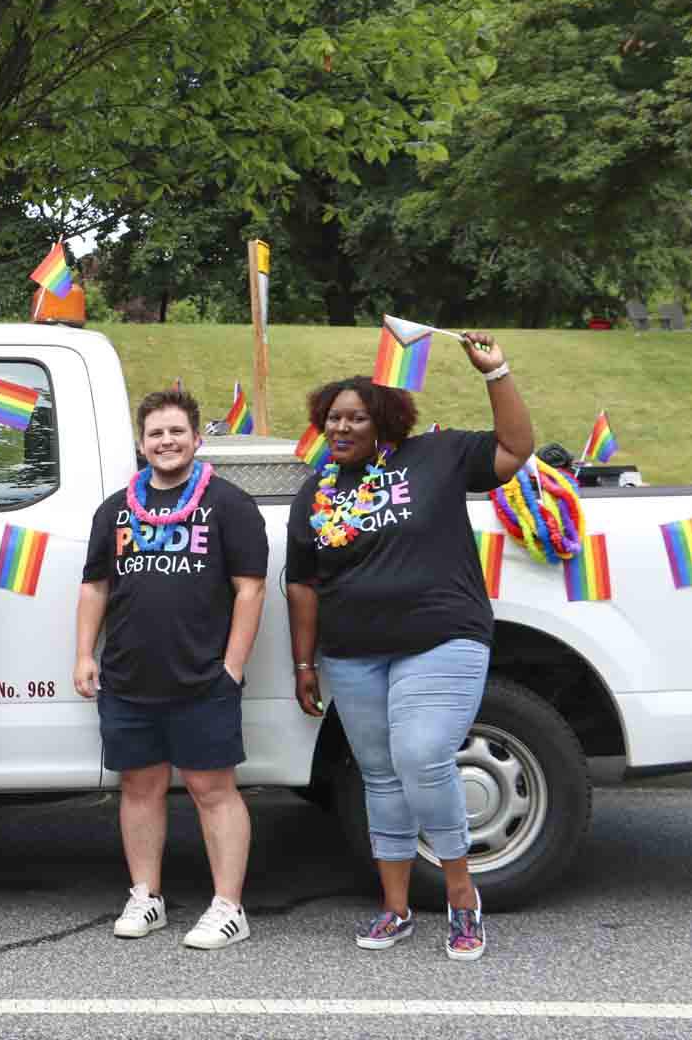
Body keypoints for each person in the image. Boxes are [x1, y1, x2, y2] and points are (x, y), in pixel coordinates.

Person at [285, 332, 533, 962]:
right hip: (353, 652)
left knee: (423, 756)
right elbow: (303, 584)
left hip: (441, 638)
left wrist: (495, 371)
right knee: (381, 776)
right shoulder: (316, 491)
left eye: (355, 418)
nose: (340, 427)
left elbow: (515, 448)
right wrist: (304, 660)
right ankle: (394, 909)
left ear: (383, 421)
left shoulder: (436, 457)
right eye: (332, 418)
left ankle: (460, 895)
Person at [74, 390, 268, 950]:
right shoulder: (115, 509)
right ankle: (146, 895)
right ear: (141, 444)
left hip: (203, 677)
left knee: (213, 788)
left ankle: (229, 906)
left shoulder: (229, 505)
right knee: (139, 788)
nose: (166, 441)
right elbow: (94, 586)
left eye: (176, 431)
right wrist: (84, 653)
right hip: (129, 678)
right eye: (156, 433)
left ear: (196, 438)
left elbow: (250, 589)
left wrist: (231, 667)